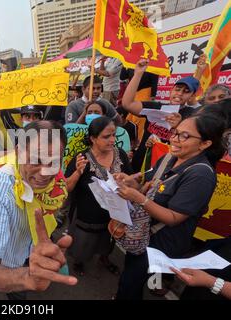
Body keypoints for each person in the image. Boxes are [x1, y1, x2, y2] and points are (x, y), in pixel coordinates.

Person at [114, 113, 226, 299]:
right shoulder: (169, 157)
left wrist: (138, 198)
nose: (174, 139)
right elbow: (148, 183)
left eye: (184, 136)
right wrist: (130, 182)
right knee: (134, 276)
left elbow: (173, 218)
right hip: (142, 234)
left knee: (132, 282)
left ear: (205, 143)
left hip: (162, 243)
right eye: (175, 132)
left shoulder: (200, 175)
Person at [0, 121, 78, 299]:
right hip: (13, 263)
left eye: (54, 162)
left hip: (33, 246)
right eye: (36, 160)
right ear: (18, 152)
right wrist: (26, 277)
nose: (45, 173)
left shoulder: (55, 174)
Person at [65, 117, 132, 276]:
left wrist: (126, 181)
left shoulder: (120, 154)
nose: (112, 140)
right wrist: (77, 172)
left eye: (114, 135)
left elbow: (131, 180)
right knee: (83, 244)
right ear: (93, 138)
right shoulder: (81, 158)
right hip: (87, 215)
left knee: (107, 241)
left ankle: (104, 258)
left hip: (113, 215)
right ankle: (79, 261)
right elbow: (67, 187)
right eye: (106, 136)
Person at [122, 58, 199, 171]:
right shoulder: (156, 106)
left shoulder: (192, 115)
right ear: (170, 91)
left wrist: (178, 127)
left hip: (166, 167)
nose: (180, 93)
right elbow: (127, 104)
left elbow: (194, 144)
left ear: (192, 96)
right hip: (141, 161)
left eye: (186, 91)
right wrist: (138, 74)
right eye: (177, 89)